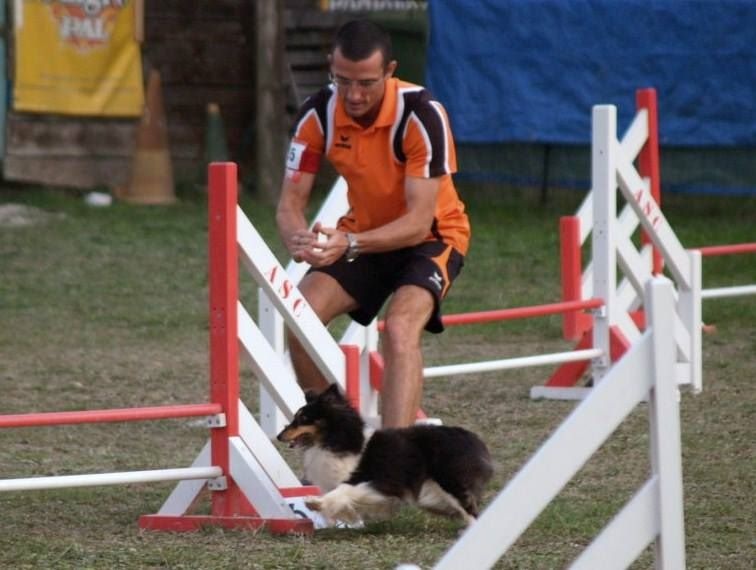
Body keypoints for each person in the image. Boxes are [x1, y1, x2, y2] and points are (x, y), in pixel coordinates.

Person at [276, 19, 470, 428]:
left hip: (432, 238)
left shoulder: (421, 114)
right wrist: (296, 236)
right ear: (331, 65)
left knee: (399, 328)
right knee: (299, 318)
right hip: (363, 234)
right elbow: (289, 203)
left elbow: (418, 223)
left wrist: (349, 243)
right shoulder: (317, 114)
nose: (354, 94)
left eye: (366, 83)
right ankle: (336, 433)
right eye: (342, 81)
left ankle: (392, 460)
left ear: (390, 70)